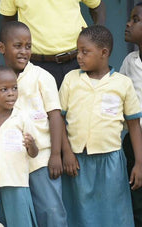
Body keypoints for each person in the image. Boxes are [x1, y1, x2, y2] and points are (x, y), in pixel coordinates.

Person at [60, 25, 142, 226]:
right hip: (78, 160)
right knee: (79, 211)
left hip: (111, 160)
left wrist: (140, 163)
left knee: (113, 211)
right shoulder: (71, 79)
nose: (79, 56)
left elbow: (133, 125)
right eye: (78, 50)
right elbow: (59, 119)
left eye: (84, 51)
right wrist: (67, 153)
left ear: (104, 53)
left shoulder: (122, 83)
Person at [0, 21, 67, 227]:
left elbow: (55, 116)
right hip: (12, 162)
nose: (24, 51)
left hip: (43, 160)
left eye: (28, 46)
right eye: (17, 45)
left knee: (51, 211)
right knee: (19, 216)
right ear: (2, 48)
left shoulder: (42, 77)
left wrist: (56, 154)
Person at [0, 0, 106, 89]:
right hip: (37, 64)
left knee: (81, 110)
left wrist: (97, 39)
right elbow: (9, 22)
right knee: (42, 113)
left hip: (78, 61)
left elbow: (97, 6)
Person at [0, 65, 38, 227]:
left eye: (14, 88)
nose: (11, 93)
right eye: (4, 89)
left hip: (16, 183)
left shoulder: (22, 118)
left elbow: (34, 153)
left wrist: (31, 145)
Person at [121, 3, 142, 225]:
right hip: (135, 143)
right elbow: (121, 101)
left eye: (136, 20)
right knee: (136, 201)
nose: (128, 23)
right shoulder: (130, 61)